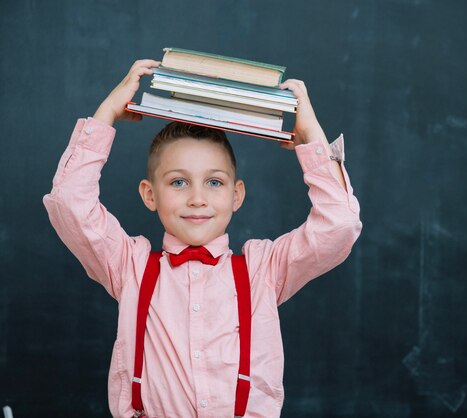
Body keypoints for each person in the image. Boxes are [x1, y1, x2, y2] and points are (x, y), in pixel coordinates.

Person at [43, 59, 362, 418]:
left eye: (214, 182)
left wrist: (313, 140)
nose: (198, 198)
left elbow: (339, 225)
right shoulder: (129, 265)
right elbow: (69, 202)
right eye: (179, 182)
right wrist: (107, 114)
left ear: (236, 195)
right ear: (150, 195)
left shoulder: (263, 271)